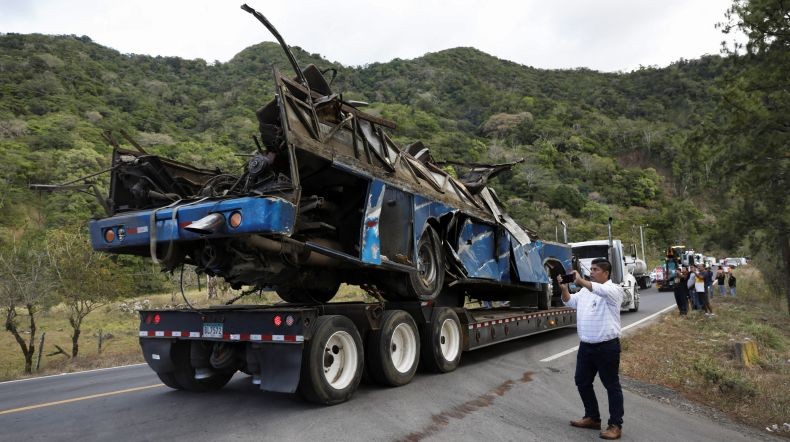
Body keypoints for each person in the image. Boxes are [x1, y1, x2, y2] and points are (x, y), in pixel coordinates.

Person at [558, 258, 625, 440]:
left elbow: (600, 290)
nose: (592, 272)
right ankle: (592, 417)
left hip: (607, 347)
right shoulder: (585, 291)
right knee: (582, 381)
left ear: (606, 273)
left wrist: (580, 280)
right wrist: (564, 288)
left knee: (611, 385)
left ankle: (615, 425)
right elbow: (569, 301)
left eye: (596, 269)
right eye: (591, 269)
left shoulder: (614, 290)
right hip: (586, 346)